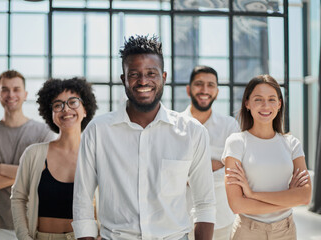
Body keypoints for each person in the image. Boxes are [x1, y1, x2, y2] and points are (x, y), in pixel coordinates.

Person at [72, 35, 216, 240]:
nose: (143, 81)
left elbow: (205, 204)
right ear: (123, 79)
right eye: (134, 74)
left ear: (163, 77)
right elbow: (82, 202)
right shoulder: (98, 131)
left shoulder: (192, 132)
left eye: (151, 73)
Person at [222, 75, 311, 239]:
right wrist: (288, 198)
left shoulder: (292, 144)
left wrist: (252, 195)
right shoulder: (236, 143)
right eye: (258, 99)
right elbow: (237, 205)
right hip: (248, 232)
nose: (265, 105)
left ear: (279, 104)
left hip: (286, 231)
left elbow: (304, 197)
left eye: (271, 99)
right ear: (247, 104)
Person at [0, 70, 55, 240]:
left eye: (16, 89)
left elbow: (44, 177)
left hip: (34, 224)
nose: (11, 94)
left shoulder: (43, 132)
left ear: (25, 94)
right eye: (5, 89)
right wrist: (28, 173)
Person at [10, 77, 97, 240]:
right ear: (50, 114)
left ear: (85, 109)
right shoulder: (33, 154)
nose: (66, 109)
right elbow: (18, 198)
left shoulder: (97, 154)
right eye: (58, 105)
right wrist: (24, 237)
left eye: (73, 102)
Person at [182, 66, 239, 240]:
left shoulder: (230, 126)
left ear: (217, 91)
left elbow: (234, 173)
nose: (205, 90)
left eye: (210, 85)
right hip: (182, 220)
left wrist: (191, 173)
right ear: (188, 89)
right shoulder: (174, 126)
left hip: (222, 220)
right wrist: (213, 165)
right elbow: (170, 173)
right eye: (199, 84)